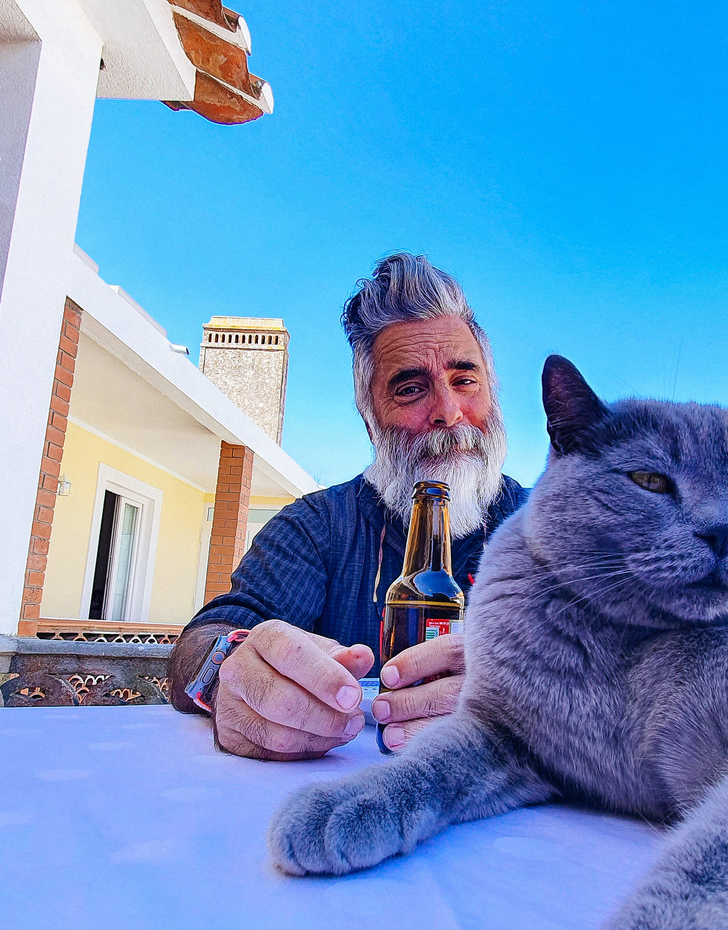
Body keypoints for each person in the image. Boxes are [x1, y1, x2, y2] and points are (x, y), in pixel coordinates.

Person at [169, 253, 528, 760]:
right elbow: (202, 641)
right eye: (411, 389)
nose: (448, 413)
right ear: (369, 418)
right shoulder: (317, 528)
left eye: (465, 381)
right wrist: (234, 668)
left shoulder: (556, 525)